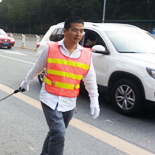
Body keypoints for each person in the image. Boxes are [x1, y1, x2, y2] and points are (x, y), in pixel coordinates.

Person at [19, 16, 100, 155]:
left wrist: (94, 101)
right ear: (65, 31)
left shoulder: (85, 55)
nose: (78, 34)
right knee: (59, 133)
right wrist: (26, 82)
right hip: (49, 97)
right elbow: (37, 68)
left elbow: (90, 80)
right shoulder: (50, 49)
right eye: (75, 30)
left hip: (69, 101)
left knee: (55, 133)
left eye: (81, 31)